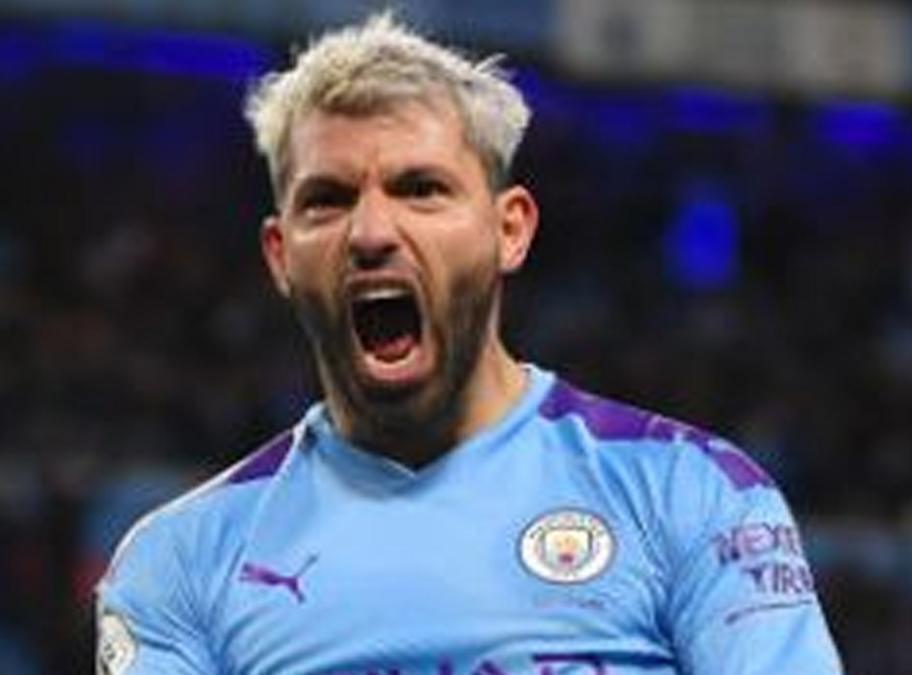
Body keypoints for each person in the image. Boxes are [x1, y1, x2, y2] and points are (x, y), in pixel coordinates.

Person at [95, 13, 842, 675]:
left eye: (421, 189)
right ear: (280, 254)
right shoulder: (179, 564)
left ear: (508, 230)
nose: (372, 233)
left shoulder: (694, 494)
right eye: (327, 200)